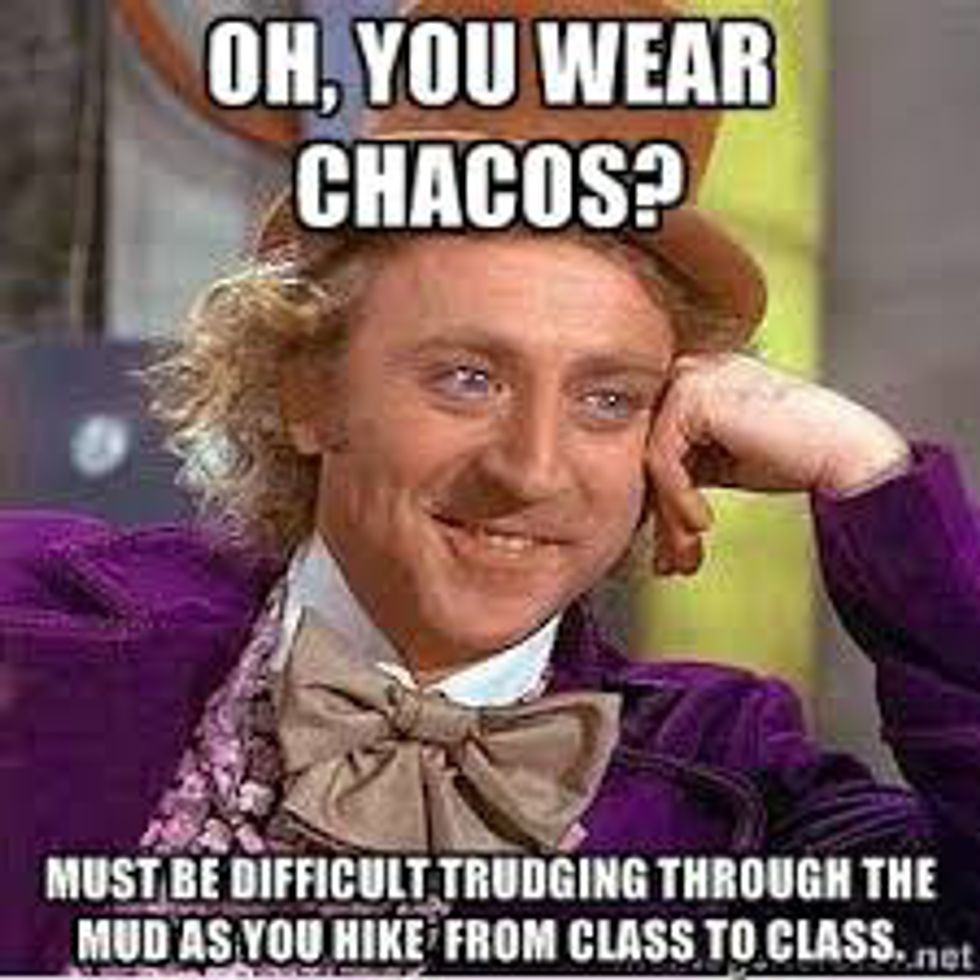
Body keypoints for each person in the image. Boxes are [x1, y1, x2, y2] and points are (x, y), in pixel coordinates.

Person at [2, 0, 979, 972]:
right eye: (467, 379)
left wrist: (868, 475)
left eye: (607, 398)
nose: (530, 468)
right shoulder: (30, 614)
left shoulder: (732, 780)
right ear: (310, 389)